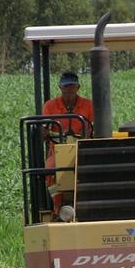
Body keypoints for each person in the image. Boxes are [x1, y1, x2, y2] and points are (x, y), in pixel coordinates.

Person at [42, 72, 94, 213]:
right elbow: (44, 129)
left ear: (78, 87)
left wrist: (88, 135)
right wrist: (44, 133)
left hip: (84, 150)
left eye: (72, 87)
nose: (69, 91)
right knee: (50, 169)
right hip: (58, 150)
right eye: (66, 87)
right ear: (60, 88)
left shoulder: (88, 105)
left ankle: (91, 204)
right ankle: (59, 206)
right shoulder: (50, 106)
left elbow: (95, 128)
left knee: (94, 169)